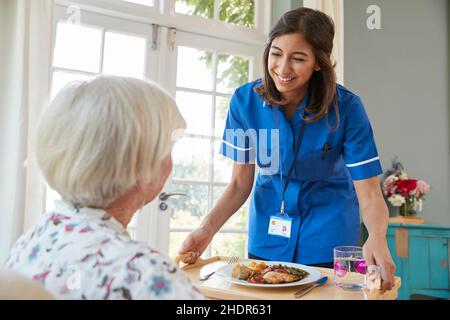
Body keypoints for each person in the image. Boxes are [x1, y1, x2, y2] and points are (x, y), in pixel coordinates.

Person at [179, 7, 396, 292]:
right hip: (267, 238)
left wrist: (377, 236)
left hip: (329, 238)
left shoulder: (348, 108)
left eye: (298, 58)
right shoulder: (244, 102)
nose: (282, 68)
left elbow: (368, 191)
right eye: (276, 53)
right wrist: (206, 228)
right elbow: (239, 182)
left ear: (319, 63)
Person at [5, 76, 204, 300]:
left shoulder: (35, 238)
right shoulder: (145, 275)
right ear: (142, 170)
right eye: (168, 149)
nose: (170, 162)